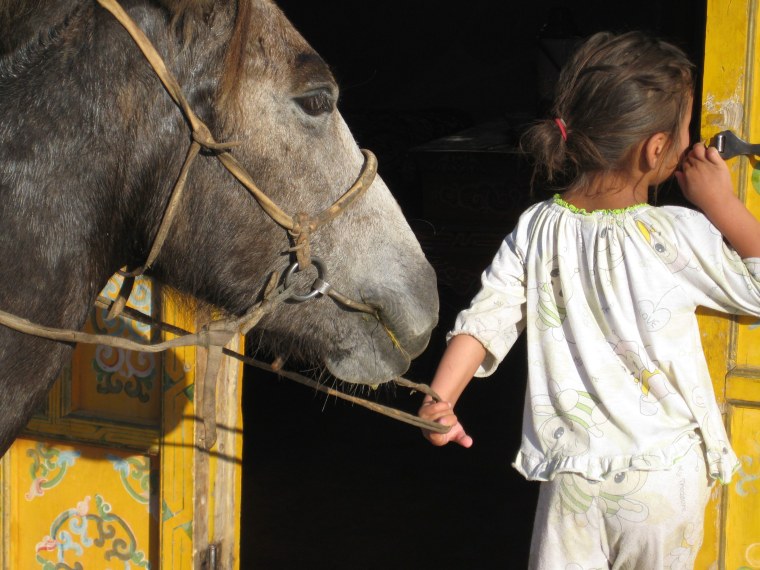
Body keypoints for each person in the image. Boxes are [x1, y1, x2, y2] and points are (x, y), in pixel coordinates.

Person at [418, 31, 760, 569]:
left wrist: (441, 397)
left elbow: (487, 317)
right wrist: (720, 201)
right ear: (655, 148)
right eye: (685, 127)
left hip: (571, 480)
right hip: (661, 479)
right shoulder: (674, 232)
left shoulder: (537, 227)